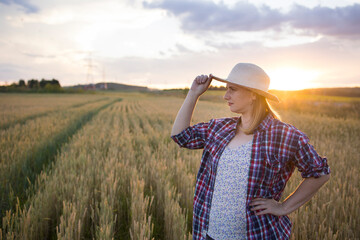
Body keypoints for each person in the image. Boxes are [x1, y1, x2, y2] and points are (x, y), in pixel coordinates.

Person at [170, 63, 330, 240]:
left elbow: (320, 173)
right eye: (226, 89)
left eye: (232, 89)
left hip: (259, 234)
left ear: (253, 94)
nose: (226, 96)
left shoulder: (285, 135)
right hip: (209, 234)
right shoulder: (219, 128)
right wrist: (193, 94)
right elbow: (181, 136)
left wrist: (283, 207)